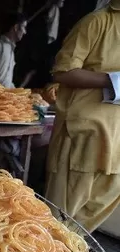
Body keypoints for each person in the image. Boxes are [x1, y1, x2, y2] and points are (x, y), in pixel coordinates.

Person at [45, 0, 120, 232]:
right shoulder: (98, 21)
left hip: (116, 142)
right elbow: (63, 71)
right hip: (83, 134)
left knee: (82, 225)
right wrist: (112, 80)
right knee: (58, 218)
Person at [0, 13, 34, 88]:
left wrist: (16, 92)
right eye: (24, 27)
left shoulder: (11, 51)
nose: (25, 32)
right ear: (16, 27)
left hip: (4, 98)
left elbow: (7, 81)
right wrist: (1, 92)